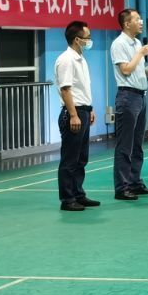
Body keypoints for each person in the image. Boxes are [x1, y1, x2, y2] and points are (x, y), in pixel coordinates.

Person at [111, 8, 148, 201]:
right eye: (137, 19)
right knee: (125, 145)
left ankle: (135, 182)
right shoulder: (119, 44)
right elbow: (126, 69)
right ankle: (122, 187)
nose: (141, 22)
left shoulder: (137, 42)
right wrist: (140, 54)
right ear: (126, 23)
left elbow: (137, 70)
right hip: (127, 97)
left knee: (137, 144)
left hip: (140, 96)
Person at [55, 21, 98, 213]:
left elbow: (82, 89)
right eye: (87, 37)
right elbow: (66, 89)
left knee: (81, 158)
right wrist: (73, 115)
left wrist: (90, 109)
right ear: (77, 39)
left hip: (83, 110)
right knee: (70, 159)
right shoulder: (66, 59)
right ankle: (67, 198)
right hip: (74, 112)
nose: (90, 40)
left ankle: (78, 193)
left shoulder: (80, 59)